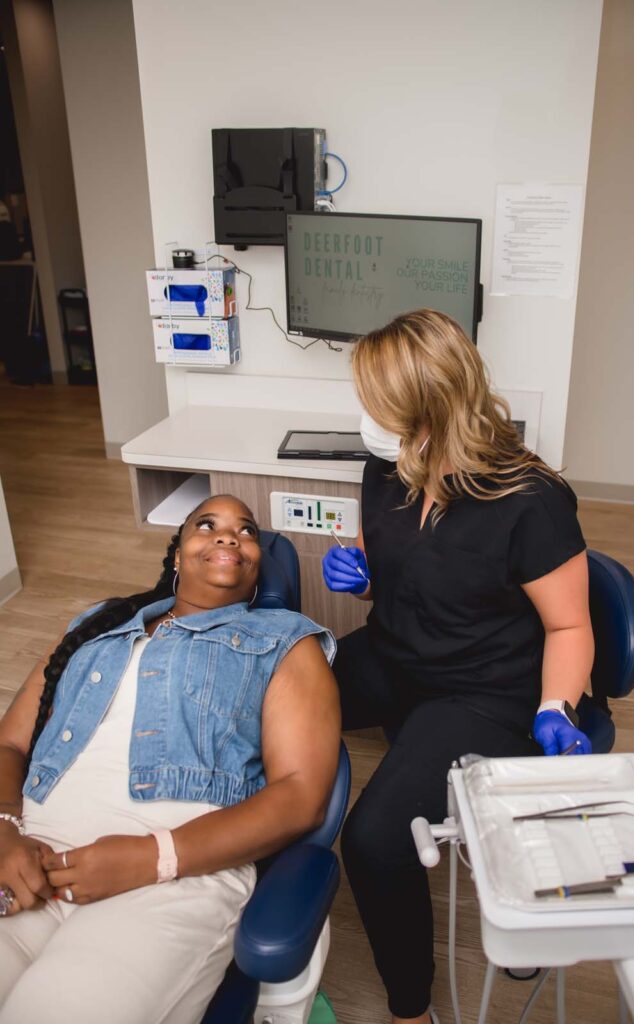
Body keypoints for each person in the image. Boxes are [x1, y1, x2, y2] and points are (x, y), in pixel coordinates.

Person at [321, 309, 594, 1024]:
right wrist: (364, 577)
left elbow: (568, 624)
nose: (364, 419)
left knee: (376, 840)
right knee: (267, 699)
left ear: (428, 411)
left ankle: (412, 1007)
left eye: (376, 404)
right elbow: (402, 562)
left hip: (481, 689)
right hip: (395, 650)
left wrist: (553, 707)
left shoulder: (529, 502)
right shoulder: (386, 466)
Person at [0, 495, 340, 1024]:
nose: (229, 535)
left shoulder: (286, 641)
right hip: (31, 854)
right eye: (207, 525)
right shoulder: (96, 625)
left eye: (246, 531)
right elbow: (11, 745)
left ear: (257, 565)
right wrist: (4, 830)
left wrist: (152, 857)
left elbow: (300, 796)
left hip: (173, 876)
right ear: (177, 555)